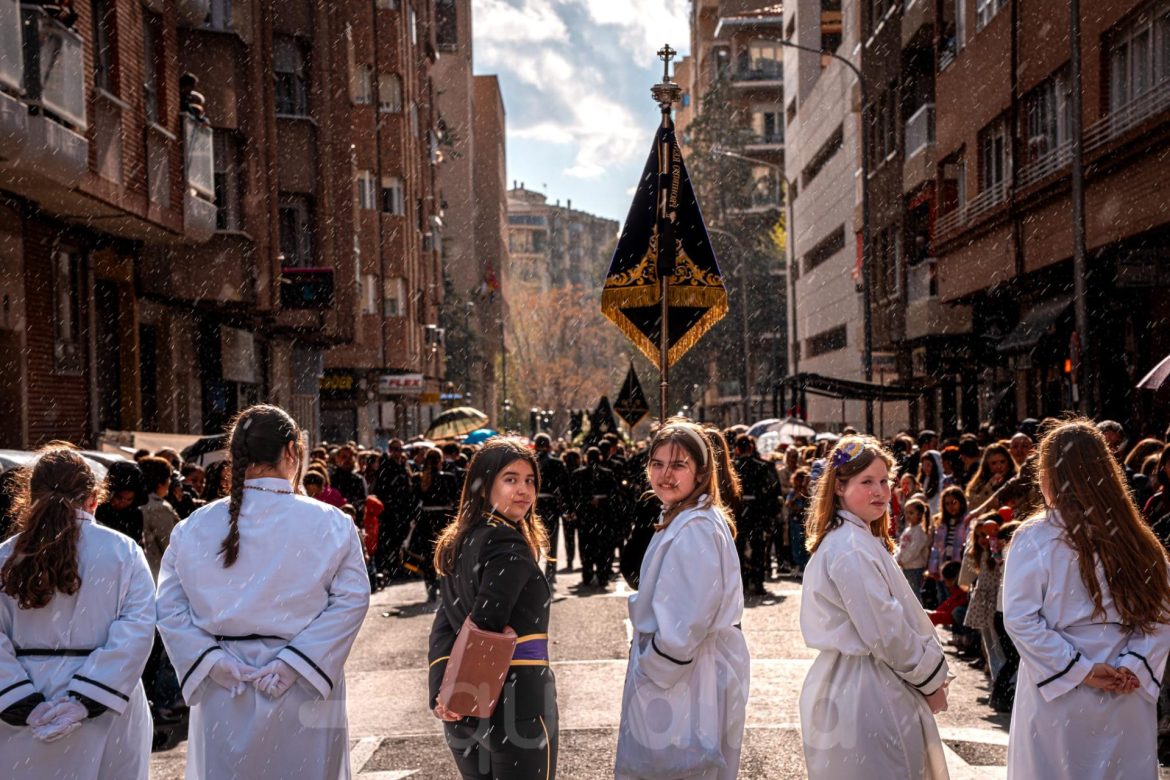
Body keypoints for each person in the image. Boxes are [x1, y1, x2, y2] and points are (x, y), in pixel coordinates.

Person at [156, 405, 370, 779]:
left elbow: (169, 607)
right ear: (291, 451)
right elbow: (351, 601)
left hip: (226, 687)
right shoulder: (332, 523)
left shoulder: (193, 527)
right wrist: (294, 664)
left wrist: (212, 663)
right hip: (307, 687)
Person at [1004, 420, 1170, 779]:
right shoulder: (1136, 537)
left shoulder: (1034, 536)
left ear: (1049, 475)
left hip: (1060, 696)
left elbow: (1020, 619)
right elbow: (1161, 617)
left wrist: (1081, 669)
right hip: (1125, 689)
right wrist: (1132, 665)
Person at [0, 447, 155, 780]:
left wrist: (22, 702)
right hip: (107, 708)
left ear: (29, 497)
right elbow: (138, 630)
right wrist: (86, 699)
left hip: (20, 708)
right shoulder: (123, 551)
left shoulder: (4, 556)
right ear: (93, 499)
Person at [800, 436, 950, 780]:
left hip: (863, 685)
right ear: (840, 487)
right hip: (868, 691)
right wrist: (931, 678)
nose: (880, 491)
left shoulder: (855, 539)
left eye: (884, 481)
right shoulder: (850, 546)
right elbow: (886, 630)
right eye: (866, 482)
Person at [615, 420, 750, 780]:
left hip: (686, 675)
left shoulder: (695, 527)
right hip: (689, 669)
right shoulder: (683, 517)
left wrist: (654, 670)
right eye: (657, 464)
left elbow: (688, 620)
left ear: (701, 472)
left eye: (678, 465)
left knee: (678, 765)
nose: (665, 475)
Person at [428, 438, 557, 779]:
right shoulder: (506, 541)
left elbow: (445, 625)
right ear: (485, 485)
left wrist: (444, 693)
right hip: (515, 706)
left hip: (465, 715)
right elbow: (487, 621)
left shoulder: (463, 538)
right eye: (510, 479)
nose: (524, 490)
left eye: (530, 480)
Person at [733, 434, 781, 596]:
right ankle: (757, 581)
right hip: (757, 513)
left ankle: (742, 581)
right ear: (752, 448)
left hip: (738, 514)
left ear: (737, 449)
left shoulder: (733, 467)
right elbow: (772, 491)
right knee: (757, 547)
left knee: (738, 548)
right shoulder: (762, 467)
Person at [139, 456, 181, 582]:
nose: (170, 482)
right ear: (160, 482)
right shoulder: (159, 508)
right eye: (169, 478)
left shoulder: (137, 503)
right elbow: (170, 546)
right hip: (155, 575)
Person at [534, 433, 567, 587]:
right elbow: (564, 487)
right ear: (549, 446)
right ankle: (550, 572)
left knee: (531, 540)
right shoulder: (557, 463)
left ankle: (532, 571)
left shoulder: (530, 462)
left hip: (532, 505)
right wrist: (566, 507)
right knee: (551, 540)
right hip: (550, 505)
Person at [896, 497, 931, 603]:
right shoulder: (908, 529)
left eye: (911, 513)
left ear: (920, 514)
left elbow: (914, 550)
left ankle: (918, 615)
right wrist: (897, 558)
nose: (907, 516)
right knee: (907, 592)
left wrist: (903, 560)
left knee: (914, 592)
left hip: (915, 567)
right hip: (906, 566)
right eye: (906, 512)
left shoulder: (920, 532)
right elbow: (902, 547)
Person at [965, 442, 1016, 512]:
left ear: (1009, 462)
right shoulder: (978, 484)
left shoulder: (1017, 479)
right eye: (994, 463)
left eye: (1002, 461)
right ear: (987, 465)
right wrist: (989, 487)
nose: (999, 466)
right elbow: (972, 507)